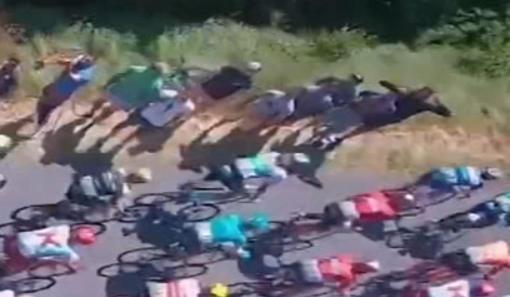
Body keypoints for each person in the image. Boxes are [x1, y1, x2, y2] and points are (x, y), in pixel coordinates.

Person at [313, 80, 451, 151]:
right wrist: (394, 88)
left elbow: (446, 114)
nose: (421, 93)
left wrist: (438, 104)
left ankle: (338, 137)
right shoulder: (418, 99)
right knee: (364, 124)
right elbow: (385, 83)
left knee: (364, 125)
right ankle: (338, 137)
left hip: (390, 114)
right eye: (423, 91)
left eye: (424, 92)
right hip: (388, 113)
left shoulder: (421, 102)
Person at [198, 151, 312, 198]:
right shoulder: (280, 174)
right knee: (238, 192)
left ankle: (196, 184)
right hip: (236, 175)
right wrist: (255, 196)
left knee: (215, 175)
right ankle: (203, 198)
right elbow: (264, 187)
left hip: (232, 163)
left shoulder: (274, 154)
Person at [32, 53, 97, 128]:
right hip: (56, 88)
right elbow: (62, 61)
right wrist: (44, 62)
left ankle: (41, 121)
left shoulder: (85, 76)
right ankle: (42, 118)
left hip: (60, 93)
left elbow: (73, 77)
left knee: (44, 104)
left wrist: (70, 67)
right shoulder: (80, 64)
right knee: (46, 99)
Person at [91, 62, 170, 122]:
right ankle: (97, 120)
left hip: (115, 91)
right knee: (111, 110)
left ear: (151, 66)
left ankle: (91, 112)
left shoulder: (136, 69)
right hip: (126, 102)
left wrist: (107, 84)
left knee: (101, 100)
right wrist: (134, 105)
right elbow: (148, 99)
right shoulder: (158, 84)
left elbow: (118, 76)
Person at [4, 224, 99, 273]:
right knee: (35, 261)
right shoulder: (68, 252)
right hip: (20, 252)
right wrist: (72, 268)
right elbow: (63, 261)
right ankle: (6, 270)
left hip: (16, 239)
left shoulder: (62, 228)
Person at [65, 166, 152, 214]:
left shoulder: (119, 170)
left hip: (80, 182)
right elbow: (113, 201)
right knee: (102, 206)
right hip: (83, 194)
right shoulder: (124, 190)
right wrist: (116, 208)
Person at [319, 189, 418, 230]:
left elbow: (355, 196)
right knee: (345, 227)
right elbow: (368, 219)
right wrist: (357, 225)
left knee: (335, 213)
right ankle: (315, 228)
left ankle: (313, 217)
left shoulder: (379, 194)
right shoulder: (390, 212)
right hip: (348, 214)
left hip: (340, 205)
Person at [188, 212, 274, 259]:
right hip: (203, 237)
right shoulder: (240, 238)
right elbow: (239, 251)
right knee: (194, 251)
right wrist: (245, 255)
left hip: (200, 226)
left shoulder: (234, 217)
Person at [289, 254, 382, 295]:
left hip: (306, 264)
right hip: (310, 276)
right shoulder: (350, 277)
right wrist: (344, 293)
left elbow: (331, 258)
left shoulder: (346, 259)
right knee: (304, 290)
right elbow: (343, 290)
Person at [422, 166, 502, 197]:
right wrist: (464, 196)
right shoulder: (479, 184)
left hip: (443, 171)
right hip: (445, 182)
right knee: (452, 190)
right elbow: (468, 192)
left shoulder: (471, 168)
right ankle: (426, 197)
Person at [444, 240, 510, 278]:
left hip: (468, 250)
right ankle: (444, 276)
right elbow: (495, 267)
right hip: (472, 261)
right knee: (467, 272)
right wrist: (489, 276)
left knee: (448, 256)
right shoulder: (504, 259)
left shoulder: (502, 244)